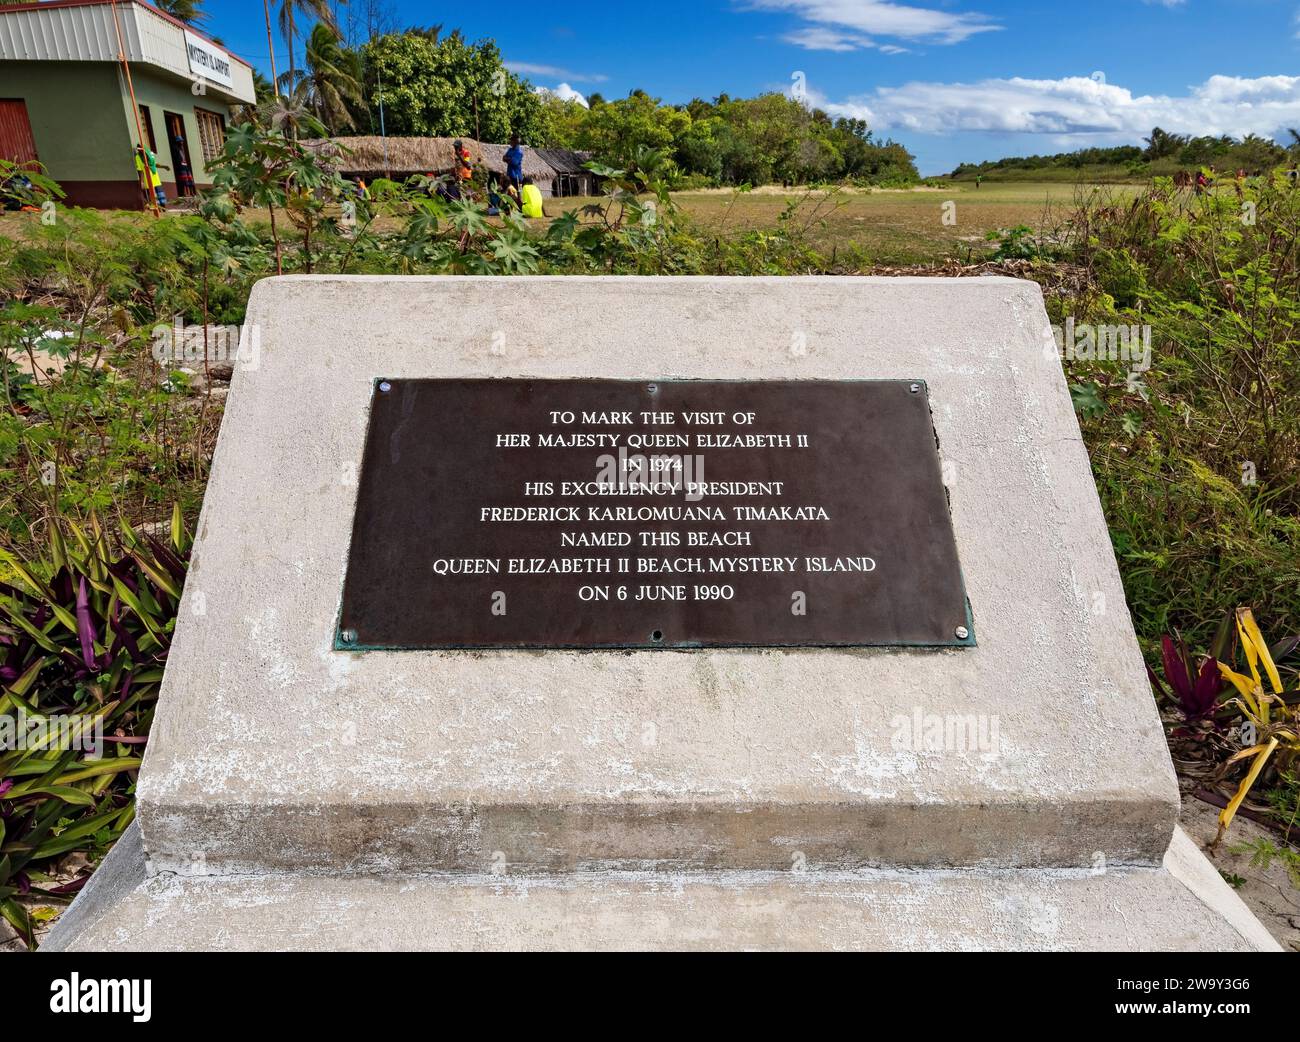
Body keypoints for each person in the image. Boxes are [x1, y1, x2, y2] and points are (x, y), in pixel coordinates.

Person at [133, 144, 169, 210]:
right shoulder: (138, 157)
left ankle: (163, 207)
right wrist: (141, 181)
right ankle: (155, 207)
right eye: (139, 150)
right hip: (147, 178)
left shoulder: (151, 154)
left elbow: (154, 164)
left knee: (160, 193)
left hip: (155, 176)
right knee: (150, 194)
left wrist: (163, 166)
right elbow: (140, 170)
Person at [504, 133, 525, 198]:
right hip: (510, 176)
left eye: (511, 140)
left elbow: (514, 162)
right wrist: (509, 159)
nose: (510, 142)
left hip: (516, 177)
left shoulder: (519, 152)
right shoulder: (510, 150)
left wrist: (508, 159)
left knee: (518, 195)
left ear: (515, 141)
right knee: (509, 194)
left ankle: (519, 207)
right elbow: (503, 158)